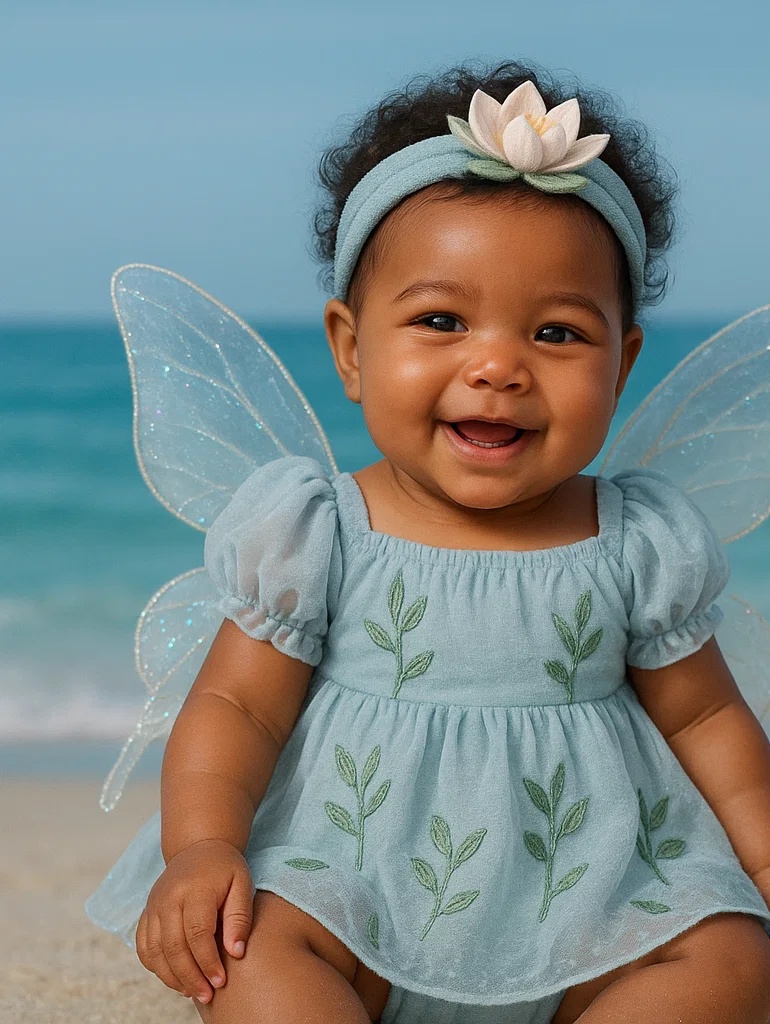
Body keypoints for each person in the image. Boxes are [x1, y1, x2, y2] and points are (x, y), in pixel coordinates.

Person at [87, 61, 770, 1023]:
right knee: (252, 955)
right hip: (352, 897)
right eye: (441, 320)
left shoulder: (637, 543)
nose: (496, 367)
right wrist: (203, 848)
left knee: (730, 960)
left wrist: (761, 855)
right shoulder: (316, 530)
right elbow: (238, 708)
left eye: (559, 333)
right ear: (352, 348)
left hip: (600, 909)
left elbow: (705, 721)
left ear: (623, 363)